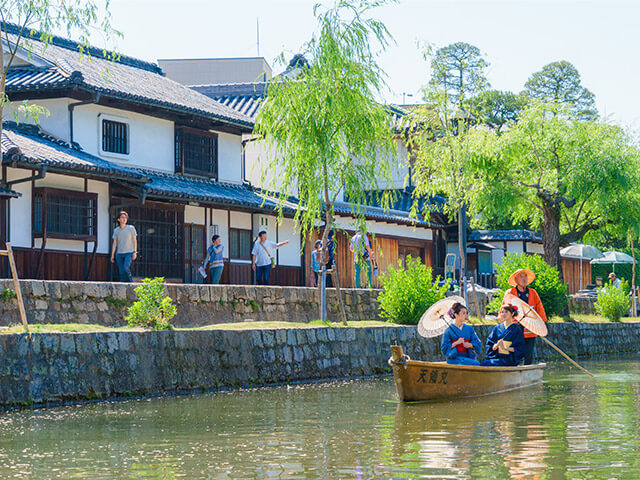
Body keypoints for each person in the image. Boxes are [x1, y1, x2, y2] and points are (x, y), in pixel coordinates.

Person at [504, 268, 547, 365]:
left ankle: (526, 374)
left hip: (530, 330)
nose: (524, 279)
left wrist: (541, 325)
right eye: (521, 276)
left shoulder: (533, 293)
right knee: (513, 353)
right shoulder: (510, 293)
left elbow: (539, 309)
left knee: (528, 355)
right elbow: (504, 311)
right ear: (516, 280)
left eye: (525, 276)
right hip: (514, 330)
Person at [110, 211, 137, 283]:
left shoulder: (131, 228)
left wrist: (135, 252)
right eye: (122, 217)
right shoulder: (116, 230)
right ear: (118, 219)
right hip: (119, 253)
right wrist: (112, 254)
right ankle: (123, 286)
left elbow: (134, 240)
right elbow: (114, 243)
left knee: (126, 268)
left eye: (125, 217)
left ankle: (131, 283)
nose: (124, 219)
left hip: (129, 252)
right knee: (121, 272)